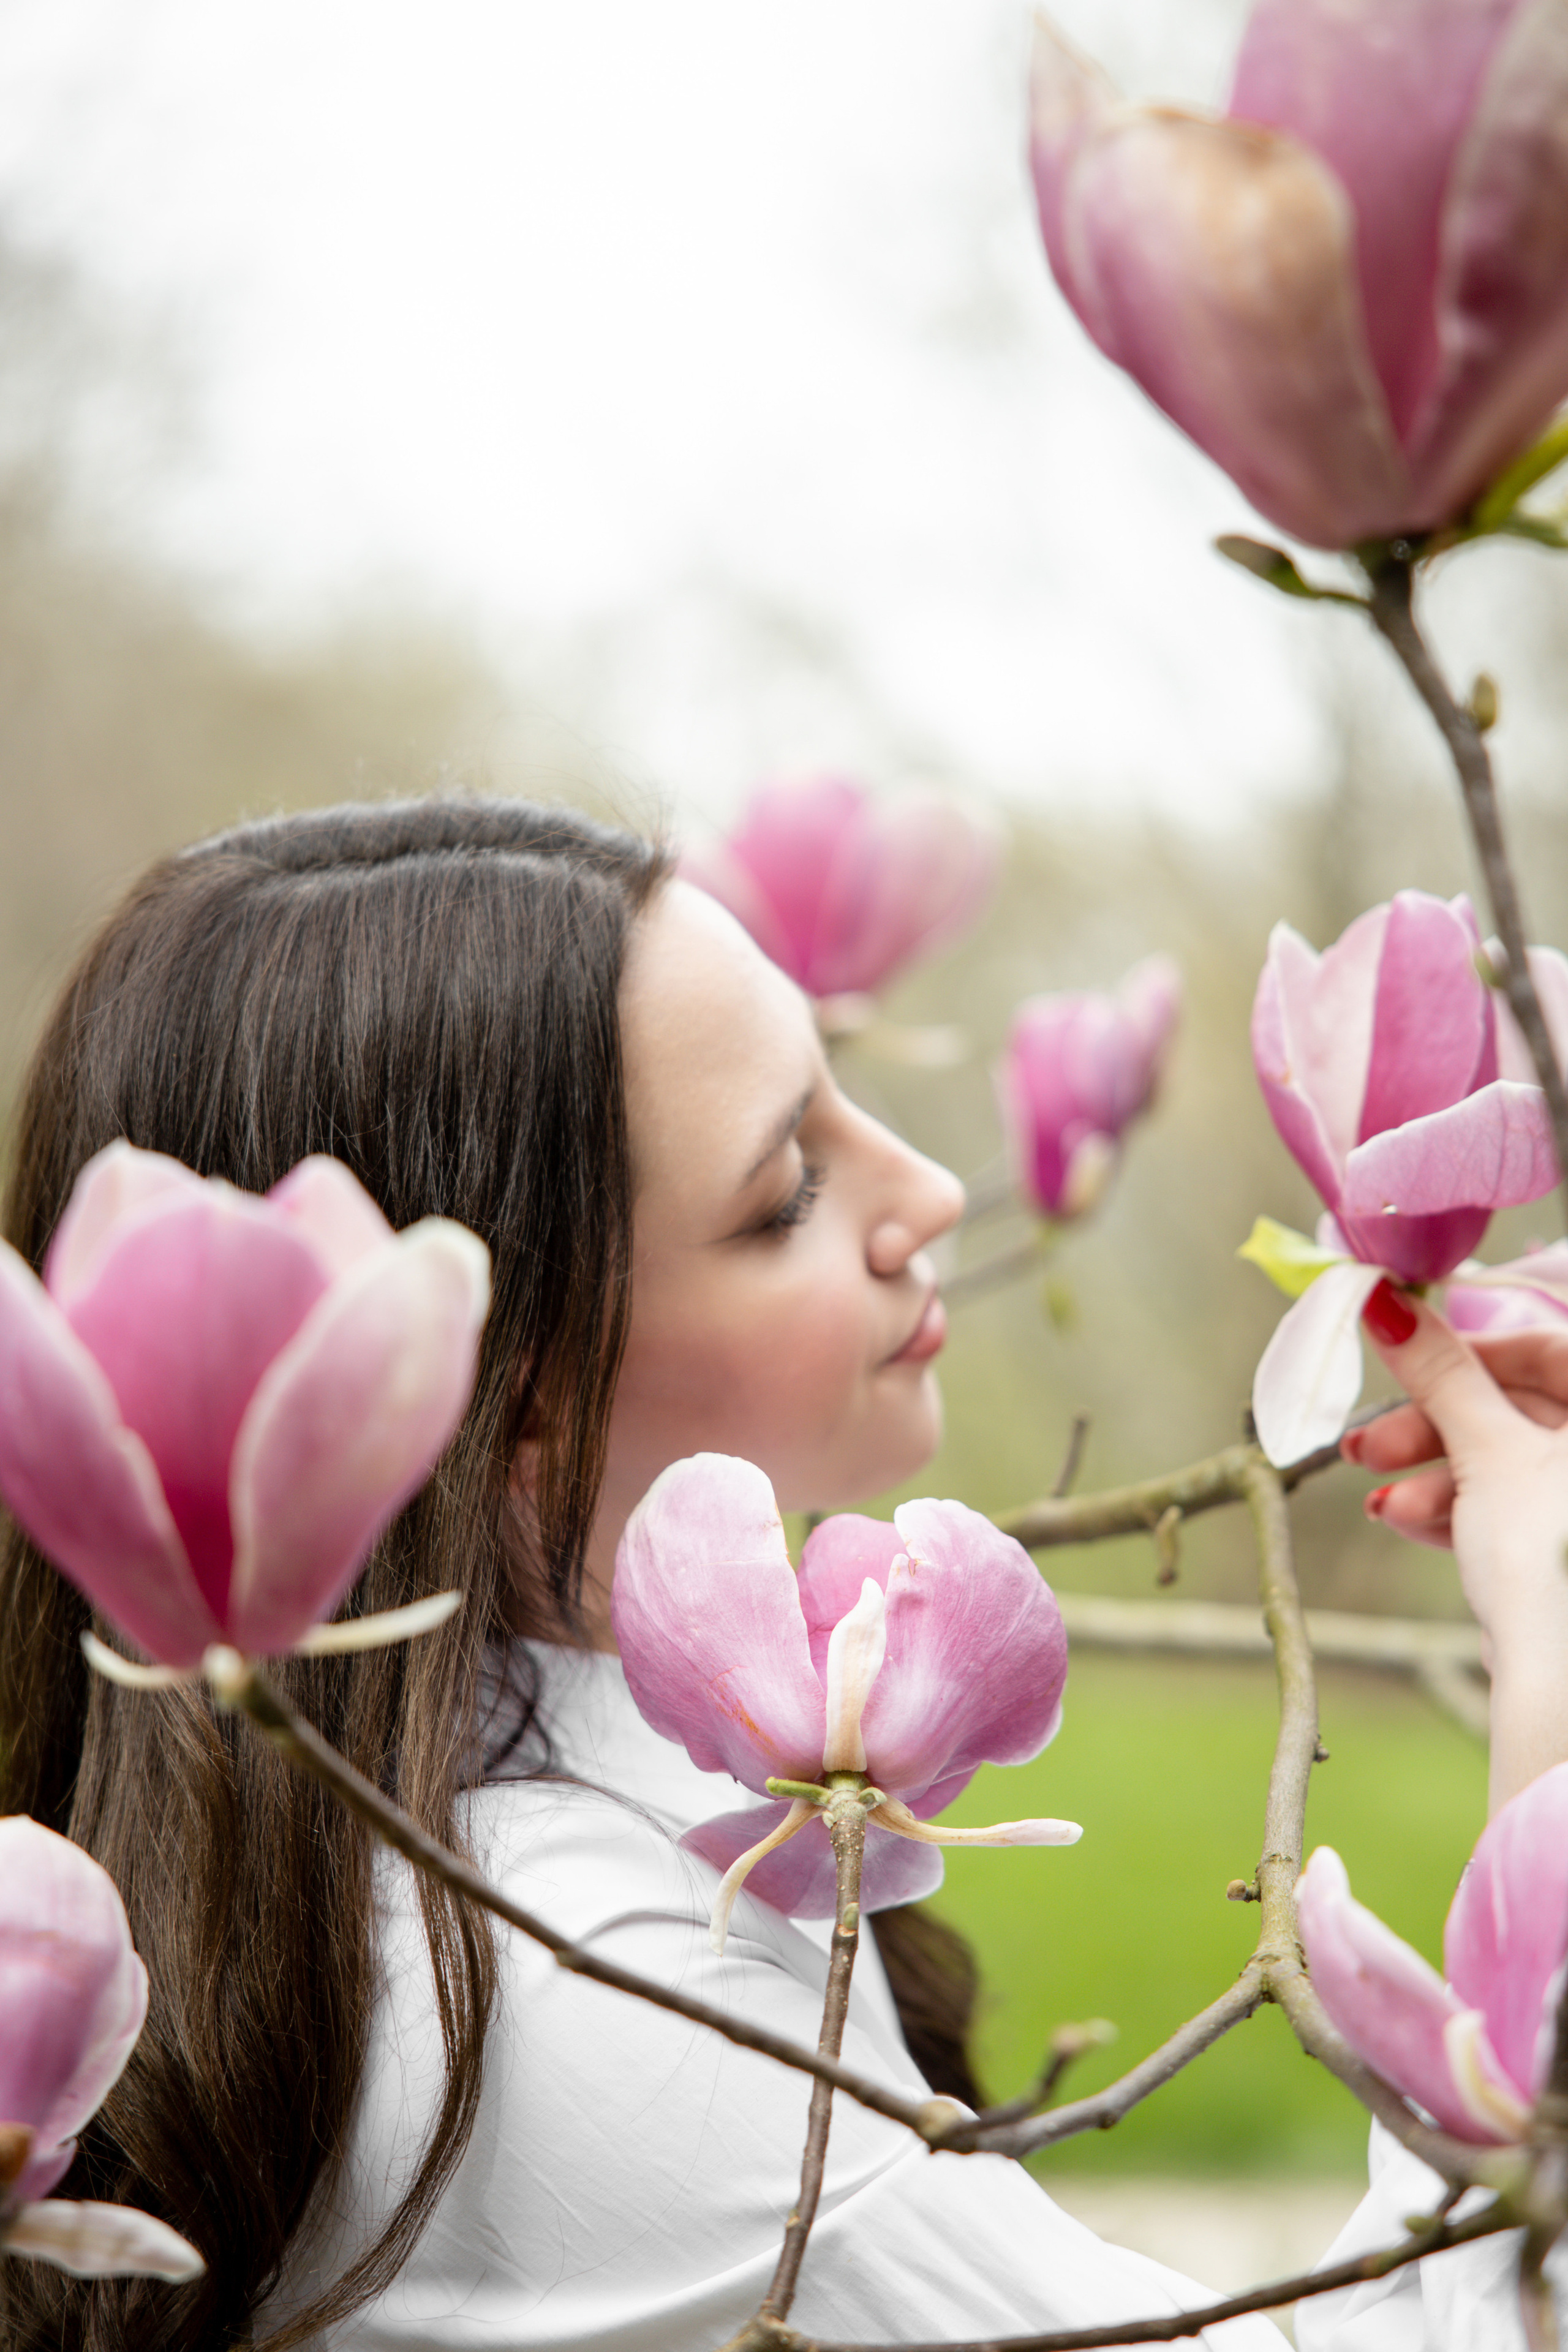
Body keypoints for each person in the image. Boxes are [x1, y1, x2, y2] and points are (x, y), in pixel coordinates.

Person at [0, 795, 1562, 2352]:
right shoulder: (570, 2001)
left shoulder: (452, 1883)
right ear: (503, 1397)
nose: (929, 1193)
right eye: (788, 1191)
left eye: (843, 1098)